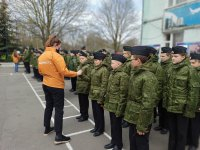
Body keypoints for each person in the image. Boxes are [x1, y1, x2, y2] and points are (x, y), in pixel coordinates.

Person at [38, 35, 82, 145]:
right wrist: (77, 73)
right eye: (60, 46)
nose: (60, 48)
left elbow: (40, 72)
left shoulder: (42, 56)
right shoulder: (56, 56)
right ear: (56, 45)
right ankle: (58, 136)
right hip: (56, 86)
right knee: (59, 110)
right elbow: (64, 72)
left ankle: (47, 128)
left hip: (46, 84)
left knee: (49, 106)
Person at [165, 46, 199, 150]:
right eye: (172, 56)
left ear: (183, 57)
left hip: (182, 109)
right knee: (172, 132)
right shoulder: (170, 68)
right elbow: (167, 88)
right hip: (171, 107)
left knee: (181, 134)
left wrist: (189, 111)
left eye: (176, 56)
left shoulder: (190, 70)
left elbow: (193, 93)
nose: (173, 58)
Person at [124, 46, 158, 150]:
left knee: (141, 145)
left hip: (141, 118)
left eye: (132, 59)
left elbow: (147, 104)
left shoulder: (148, 77)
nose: (130, 62)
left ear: (138, 60)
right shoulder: (136, 73)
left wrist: (142, 125)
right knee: (133, 143)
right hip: (133, 115)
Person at [104, 54, 129, 150]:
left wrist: (120, 109)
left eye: (112, 63)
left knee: (117, 126)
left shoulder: (123, 76)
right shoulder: (113, 73)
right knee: (113, 125)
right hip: (111, 104)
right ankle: (113, 141)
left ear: (118, 64)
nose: (111, 64)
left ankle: (118, 144)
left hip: (117, 105)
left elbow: (123, 94)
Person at [89, 51, 109, 137]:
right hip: (93, 93)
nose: (95, 61)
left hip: (99, 95)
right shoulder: (94, 68)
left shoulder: (104, 70)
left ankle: (100, 129)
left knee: (99, 112)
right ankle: (96, 126)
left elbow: (104, 85)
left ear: (101, 60)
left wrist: (101, 98)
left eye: (97, 60)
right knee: (95, 112)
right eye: (95, 60)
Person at [154, 47, 172, 134]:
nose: (161, 57)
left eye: (163, 56)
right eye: (160, 56)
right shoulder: (161, 64)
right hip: (160, 91)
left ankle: (166, 126)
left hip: (167, 92)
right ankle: (161, 125)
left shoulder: (171, 65)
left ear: (169, 56)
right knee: (160, 109)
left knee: (166, 111)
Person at [187, 53, 200, 150]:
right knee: (188, 124)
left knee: (195, 125)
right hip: (189, 103)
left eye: (193, 63)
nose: (190, 65)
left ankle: (194, 144)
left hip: (197, 105)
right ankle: (188, 140)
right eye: (189, 63)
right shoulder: (190, 72)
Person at [76, 51, 92, 122]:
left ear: (86, 58)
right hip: (80, 87)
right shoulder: (80, 65)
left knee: (84, 102)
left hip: (85, 87)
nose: (81, 60)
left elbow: (89, 78)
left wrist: (81, 75)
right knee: (81, 102)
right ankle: (82, 114)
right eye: (80, 58)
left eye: (82, 58)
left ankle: (85, 115)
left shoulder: (88, 66)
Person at [121, 46, 132, 128]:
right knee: (124, 103)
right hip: (124, 85)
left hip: (128, 86)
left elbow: (130, 76)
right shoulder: (125, 62)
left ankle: (127, 121)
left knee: (128, 105)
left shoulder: (130, 63)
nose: (123, 54)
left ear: (129, 54)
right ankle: (125, 119)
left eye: (124, 53)